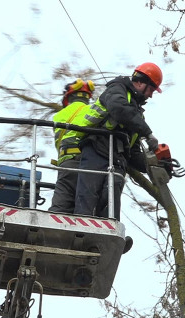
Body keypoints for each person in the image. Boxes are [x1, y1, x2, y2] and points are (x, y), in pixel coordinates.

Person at [73, 62, 162, 222]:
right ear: (141, 82)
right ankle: (81, 232)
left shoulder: (137, 116)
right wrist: (148, 133)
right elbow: (118, 109)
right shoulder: (117, 90)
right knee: (87, 198)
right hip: (97, 150)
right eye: (151, 90)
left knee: (110, 205)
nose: (151, 95)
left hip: (118, 160)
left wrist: (156, 164)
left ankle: (107, 239)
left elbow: (133, 153)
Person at [48, 79, 95, 213]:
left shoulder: (59, 115)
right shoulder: (93, 110)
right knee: (86, 208)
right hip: (86, 163)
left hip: (65, 163)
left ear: (68, 97)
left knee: (60, 206)